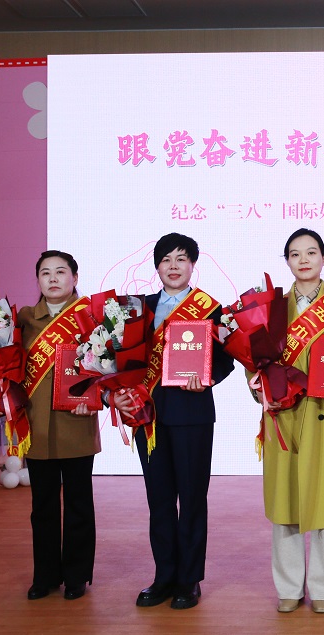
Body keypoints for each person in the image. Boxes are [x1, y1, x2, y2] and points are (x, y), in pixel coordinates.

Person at [119, 233, 235, 610]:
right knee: (160, 500)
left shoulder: (211, 308)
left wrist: (208, 378)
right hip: (148, 416)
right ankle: (164, 576)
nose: (173, 266)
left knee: (192, 499)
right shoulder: (137, 309)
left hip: (192, 415)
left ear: (192, 265)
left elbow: (227, 359)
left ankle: (189, 580)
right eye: (166, 259)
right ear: (156, 266)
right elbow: (120, 358)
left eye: (181, 259)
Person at [0, 250, 100, 601]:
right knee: (42, 505)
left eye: (61, 272)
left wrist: (98, 399)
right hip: (35, 427)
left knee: (78, 504)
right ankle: (45, 576)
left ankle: (76, 576)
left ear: (75, 278)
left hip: (76, 423)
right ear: (38, 280)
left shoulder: (92, 317)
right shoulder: (23, 320)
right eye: (46, 273)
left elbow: (110, 369)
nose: (53, 278)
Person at [257, 228, 324, 614]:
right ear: (287, 261)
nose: (303, 260)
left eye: (311, 252)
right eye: (295, 254)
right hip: (285, 416)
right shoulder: (271, 307)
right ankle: (288, 586)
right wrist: (261, 390)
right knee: (285, 503)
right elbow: (257, 360)